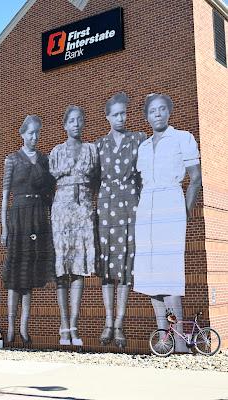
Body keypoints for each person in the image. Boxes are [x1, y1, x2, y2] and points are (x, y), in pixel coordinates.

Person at [133, 93, 202, 352]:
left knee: (169, 274)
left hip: (170, 202)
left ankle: (181, 340)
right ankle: (164, 337)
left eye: (162, 109)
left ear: (169, 112)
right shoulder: (143, 146)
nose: (158, 114)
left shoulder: (183, 138)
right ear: (147, 116)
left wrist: (183, 212)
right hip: (147, 209)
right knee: (151, 276)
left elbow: (195, 178)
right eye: (152, 111)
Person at [96, 92, 146, 349]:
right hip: (106, 208)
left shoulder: (138, 139)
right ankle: (107, 322)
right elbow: (93, 178)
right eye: (115, 114)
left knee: (125, 267)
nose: (120, 118)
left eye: (123, 113)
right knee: (107, 269)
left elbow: (143, 175)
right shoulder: (99, 145)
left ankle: (119, 325)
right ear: (107, 117)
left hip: (130, 206)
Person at [1, 115, 55, 345]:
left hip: (38, 218)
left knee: (30, 275)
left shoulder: (44, 160)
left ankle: (24, 328)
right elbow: (5, 197)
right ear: (22, 134)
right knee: (15, 276)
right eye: (30, 133)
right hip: (19, 217)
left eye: (37, 133)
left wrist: (51, 223)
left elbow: (50, 195)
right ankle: (11, 327)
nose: (34, 137)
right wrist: (4, 228)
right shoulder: (11, 160)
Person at [49, 105, 97, 346]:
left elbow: (97, 180)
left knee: (78, 269)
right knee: (62, 270)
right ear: (65, 125)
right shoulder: (56, 151)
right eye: (71, 120)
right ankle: (63, 325)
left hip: (84, 211)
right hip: (61, 212)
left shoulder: (91, 149)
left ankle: (74, 326)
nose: (76, 124)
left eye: (80, 120)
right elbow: (50, 181)